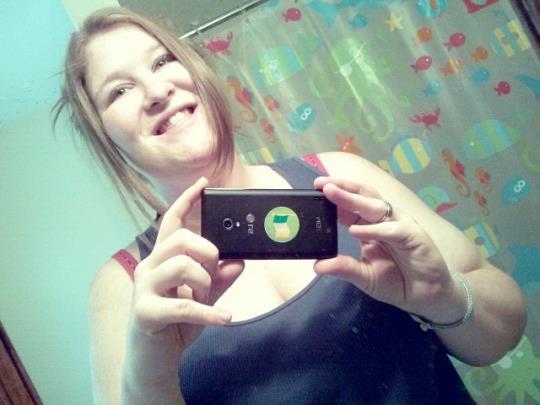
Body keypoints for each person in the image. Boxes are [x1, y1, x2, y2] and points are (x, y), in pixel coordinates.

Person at [55, 7, 527, 404]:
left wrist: (441, 296)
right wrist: (151, 375)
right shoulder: (123, 286)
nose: (157, 91)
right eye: (119, 91)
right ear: (104, 135)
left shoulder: (341, 176)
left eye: (162, 61)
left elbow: (502, 335)